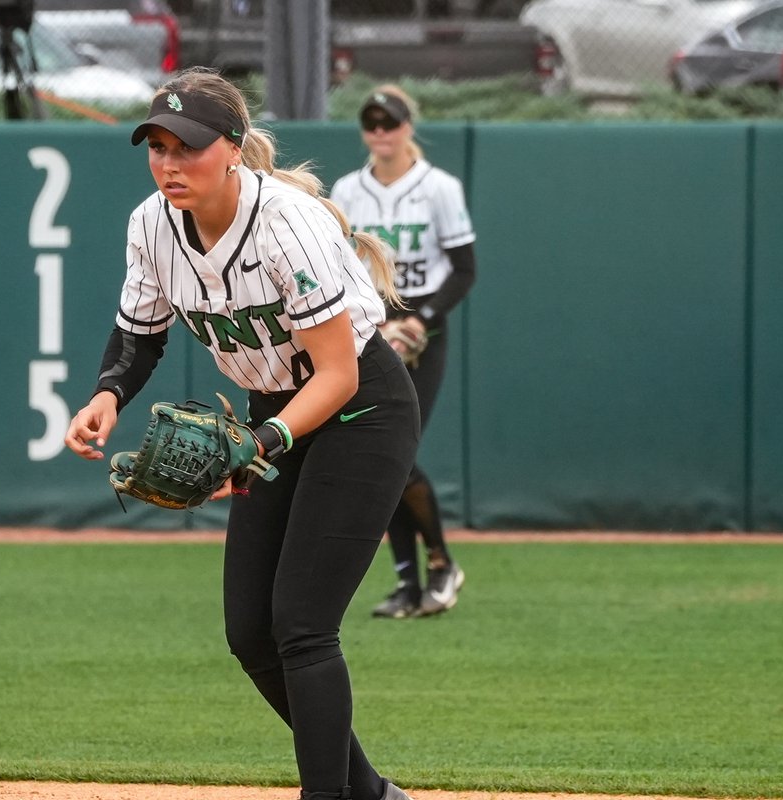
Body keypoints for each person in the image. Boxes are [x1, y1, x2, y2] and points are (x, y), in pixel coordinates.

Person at [64, 67, 422, 800]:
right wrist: (108, 395)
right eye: (156, 146)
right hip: (271, 412)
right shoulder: (151, 224)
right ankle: (370, 793)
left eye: (187, 146)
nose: (169, 162)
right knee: (249, 634)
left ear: (232, 147)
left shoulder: (287, 222)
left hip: (360, 408)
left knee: (301, 623)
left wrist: (260, 444)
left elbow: (336, 376)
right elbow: (140, 336)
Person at [330, 86, 477, 620]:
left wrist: (423, 319)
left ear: (408, 125)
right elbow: (339, 266)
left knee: (395, 457)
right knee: (382, 459)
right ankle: (408, 585)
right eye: (371, 122)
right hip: (370, 330)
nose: (380, 132)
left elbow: (464, 269)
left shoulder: (438, 188)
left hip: (423, 335)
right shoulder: (349, 189)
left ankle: (440, 566)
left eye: (389, 122)